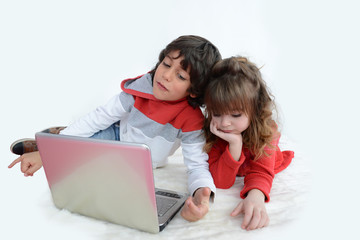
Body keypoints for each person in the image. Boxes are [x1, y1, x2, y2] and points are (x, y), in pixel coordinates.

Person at [8, 35, 222, 222]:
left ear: (194, 91)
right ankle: (51, 141)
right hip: (115, 134)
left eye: (181, 76)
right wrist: (46, 154)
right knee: (81, 148)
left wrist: (202, 193)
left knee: (82, 140)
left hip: (139, 157)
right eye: (166, 65)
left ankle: (58, 134)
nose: (166, 75)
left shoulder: (192, 121)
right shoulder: (139, 90)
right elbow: (100, 117)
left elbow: (197, 165)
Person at [202, 56, 294, 230]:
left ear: (255, 110)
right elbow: (221, 182)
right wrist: (234, 145)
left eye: (235, 115)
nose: (224, 123)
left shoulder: (266, 132)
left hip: (266, 160)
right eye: (217, 113)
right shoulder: (216, 132)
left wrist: (256, 195)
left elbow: (261, 171)